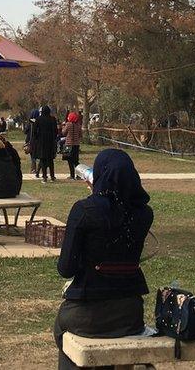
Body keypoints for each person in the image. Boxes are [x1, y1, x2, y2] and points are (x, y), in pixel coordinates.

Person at [53, 149, 153, 370]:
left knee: (62, 330)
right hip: (130, 312)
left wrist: (95, 195)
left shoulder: (84, 210)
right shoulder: (145, 214)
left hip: (87, 310)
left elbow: (65, 268)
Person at [33, 105, 59, 183]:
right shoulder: (53, 119)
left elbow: (34, 131)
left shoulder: (38, 119)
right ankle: (52, 176)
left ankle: (44, 177)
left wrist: (37, 138)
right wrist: (54, 138)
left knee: (43, 159)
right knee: (50, 159)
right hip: (50, 141)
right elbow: (56, 131)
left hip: (41, 141)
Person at [62, 111, 83, 180]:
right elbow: (80, 135)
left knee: (69, 160)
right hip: (76, 145)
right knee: (76, 160)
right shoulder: (78, 125)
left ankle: (72, 175)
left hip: (68, 144)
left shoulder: (68, 124)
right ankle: (78, 175)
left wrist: (63, 126)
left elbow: (63, 133)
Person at [24, 108, 40, 176]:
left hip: (30, 140)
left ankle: (33, 169)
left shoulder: (30, 122)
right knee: (37, 155)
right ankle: (37, 169)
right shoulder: (39, 121)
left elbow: (25, 131)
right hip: (37, 140)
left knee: (32, 156)